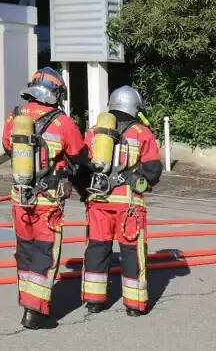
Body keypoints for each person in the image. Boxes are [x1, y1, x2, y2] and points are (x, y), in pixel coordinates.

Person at [1, 67, 85, 330]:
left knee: (25, 250)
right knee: (45, 253)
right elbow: (80, 155)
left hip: (20, 196)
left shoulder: (15, 115)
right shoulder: (62, 122)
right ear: (56, 92)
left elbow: (6, 145)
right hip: (47, 199)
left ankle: (27, 303)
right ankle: (36, 313)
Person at [79, 86, 163, 316]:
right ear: (135, 107)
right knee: (131, 251)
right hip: (128, 204)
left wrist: (85, 193)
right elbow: (153, 169)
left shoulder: (95, 131)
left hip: (97, 200)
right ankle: (134, 304)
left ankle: (94, 301)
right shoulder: (141, 133)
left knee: (97, 248)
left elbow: (81, 165)